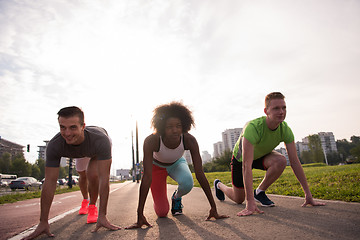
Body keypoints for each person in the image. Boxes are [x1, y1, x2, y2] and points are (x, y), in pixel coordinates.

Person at [214, 92, 325, 216]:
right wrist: (250, 203)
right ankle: (219, 185)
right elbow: (246, 165)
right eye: (276, 108)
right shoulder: (253, 128)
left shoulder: (285, 130)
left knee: (281, 160)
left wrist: (308, 195)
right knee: (238, 199)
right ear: (266, 111)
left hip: (262, 155)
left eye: (284, 108)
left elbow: (294, 162)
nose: (281, 112)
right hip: (241, 160)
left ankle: (259, 192)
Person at [127, 102, 228, 229]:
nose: (175, 130)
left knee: (187, 183)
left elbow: (200, 174)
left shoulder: (189, 140)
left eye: (178, 126)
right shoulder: (151, 140)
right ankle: (160, 203)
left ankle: (176, 197)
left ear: (184, 126)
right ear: (162, 127)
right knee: (162, 212)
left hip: (177, 163)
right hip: (156, 167)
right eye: (169, 126)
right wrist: (139, 214)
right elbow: (147, 177)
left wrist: (214, 208)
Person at [23, 106, 120, 240]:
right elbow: (50, 182)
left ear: (83, 126)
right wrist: (43, 221)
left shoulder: (100, 140)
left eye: (73, 127)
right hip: (81, 151)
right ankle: (85, 200)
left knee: (93, 174)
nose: (67, 133)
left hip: (95, 149)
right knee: (82, 174)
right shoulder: (54, 145)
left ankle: (93, 207)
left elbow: (105, 178)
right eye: (63, 127)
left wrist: (102, 216)